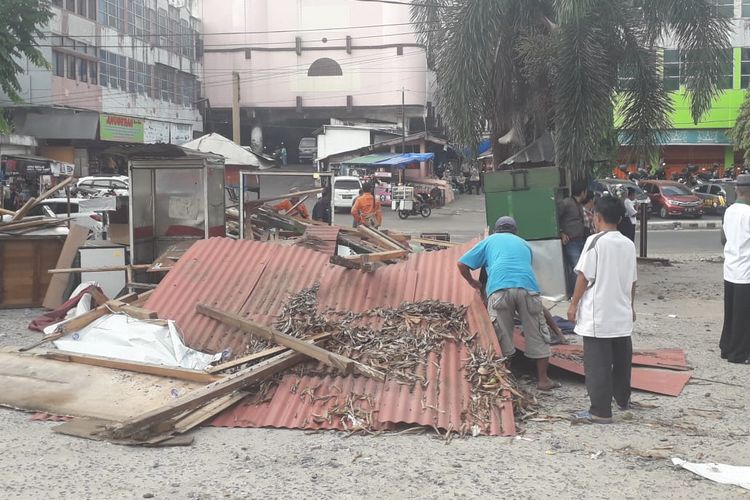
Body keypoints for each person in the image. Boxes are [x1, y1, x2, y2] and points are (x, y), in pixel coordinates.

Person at [457, 216, 559, 391]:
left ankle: (505, 381)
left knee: (501, 334)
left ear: (497, 230)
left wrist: (473, 283)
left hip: (500, 289)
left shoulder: (490, 241)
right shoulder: (524, 244)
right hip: (527, 288)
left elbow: (462, 263)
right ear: (515, 231)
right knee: (537, 332)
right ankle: (543, 380)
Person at [567, 196, 637, 424]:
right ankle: (623, 399)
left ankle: (600, 410)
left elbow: (584, 276)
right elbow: (632, 282)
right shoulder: (628, 243)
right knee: (622, 359)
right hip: (622, 311)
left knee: (597, 363)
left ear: (597, 217)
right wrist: (631, 306)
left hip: (600, 314)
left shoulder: (595, 241)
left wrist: (573, 304)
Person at [720, 174, 750, 364]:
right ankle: (739, 354)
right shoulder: (748, 213)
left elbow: (723, 238)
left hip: (730, 268)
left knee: (731, 313)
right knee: (744, 317)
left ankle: (727, 347)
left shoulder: (730, 210)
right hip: (746, 271)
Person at [559, 181, 589, 297]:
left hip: (580, 239)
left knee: (581, 267)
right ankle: (574, 294)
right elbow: (556, 218)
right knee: (576, 267)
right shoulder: (566, 203)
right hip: (571, 241)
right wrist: (561, 232)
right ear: (583, 192)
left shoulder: (578, 204)